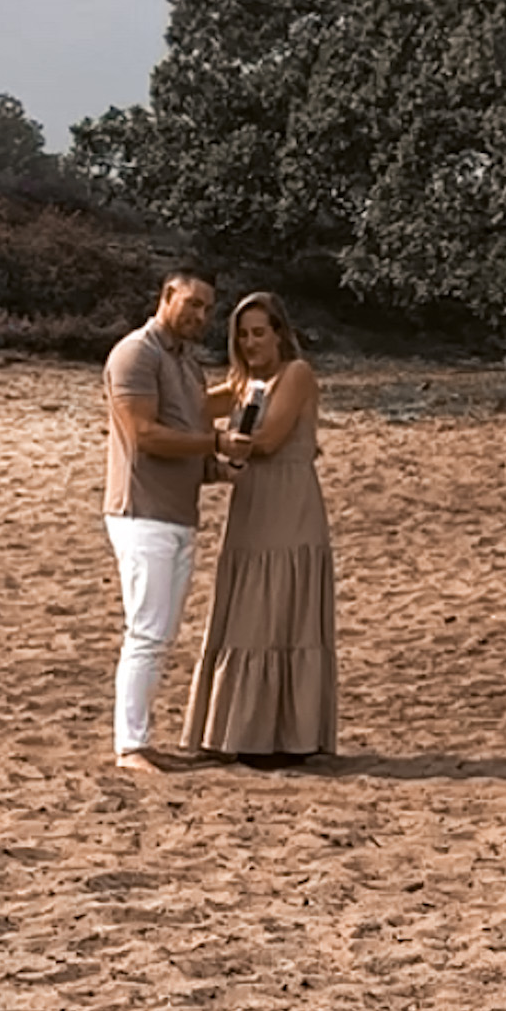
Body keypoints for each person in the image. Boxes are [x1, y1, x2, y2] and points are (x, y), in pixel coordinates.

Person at [181, 291, 338, 764]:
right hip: (250, 502)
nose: (251, 342)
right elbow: (189, 410)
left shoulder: (296, 375)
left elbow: (267, 440)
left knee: (282, 602)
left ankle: (287, 734)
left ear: (278, 333)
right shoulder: (242, 382)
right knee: (248, 604)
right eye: (243, 334)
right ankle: (241, 728)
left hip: (289, 501)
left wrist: (217, 444)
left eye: (258, 332)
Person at [102, 271, 243, 772]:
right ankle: (130, 745)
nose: (200, 315)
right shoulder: (136, 354)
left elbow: (192, 445)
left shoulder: (187, 367)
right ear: (167, 296)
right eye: (193, 304)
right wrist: (216, 443)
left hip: (179, 514)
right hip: (141, 512)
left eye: (207, 308)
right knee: (145, 631)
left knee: (159, 633)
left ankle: (140, 739)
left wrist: (234, 470)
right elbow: (144, 435)